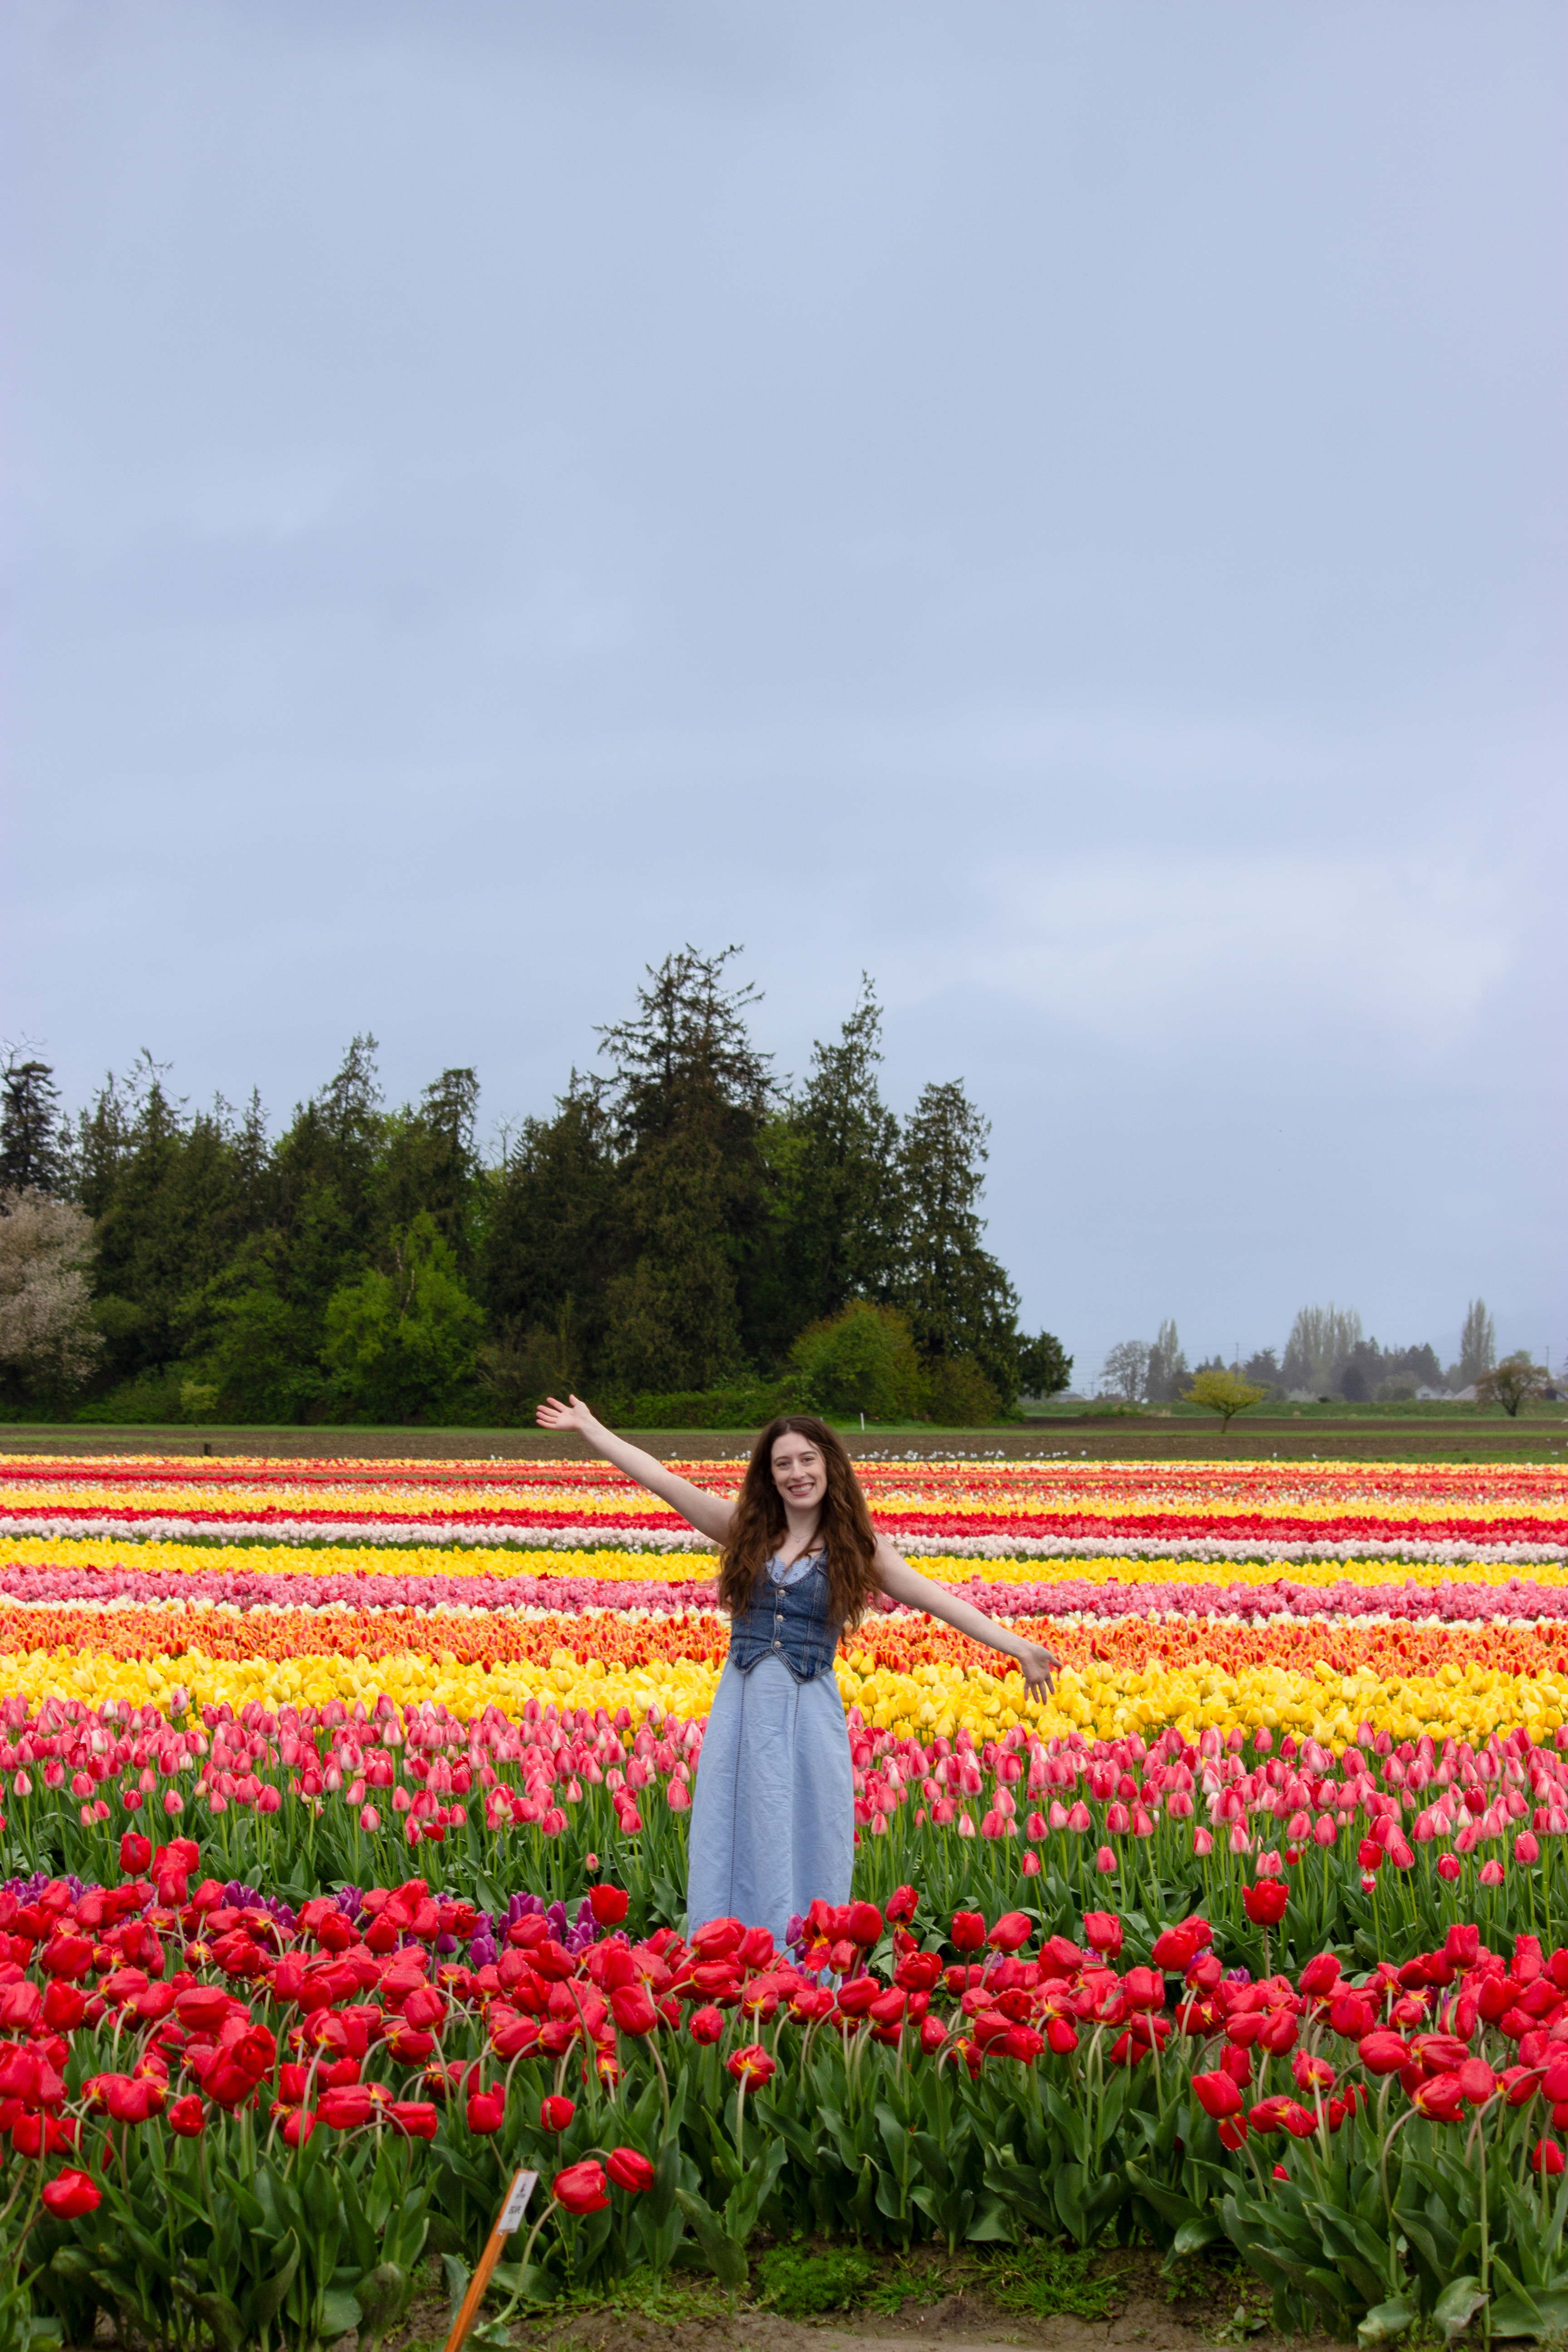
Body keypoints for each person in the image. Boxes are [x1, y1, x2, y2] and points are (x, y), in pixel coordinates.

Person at [534, 1396, 1059, 1948]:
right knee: (734, 1822)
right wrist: (592, 1428)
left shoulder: (858, 1549)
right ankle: (727, 1950)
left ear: (829, 1464)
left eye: (806, 1460)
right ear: (770, 1476)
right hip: (743, 1708)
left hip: (809, 1711)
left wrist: (1018, 1646)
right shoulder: (744, 1529)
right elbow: (662, 1480)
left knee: (806, 1824)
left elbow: (937, 1598)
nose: (796, 1474)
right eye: (782, 1464)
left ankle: (803, 1960)